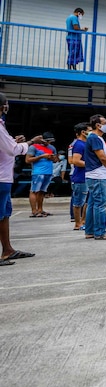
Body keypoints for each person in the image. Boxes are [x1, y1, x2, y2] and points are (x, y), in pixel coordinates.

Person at [0, 92, 42, 265]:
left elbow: (9, 146)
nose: (7, 107)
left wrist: (15, 142)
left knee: (4, 214)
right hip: (1, 177)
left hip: (5, 177)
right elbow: (12, 150)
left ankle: (7, 250)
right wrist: (31, 142)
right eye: (6, 103)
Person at [84, 114, 106, 239]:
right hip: (98, 175)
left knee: (93, 203)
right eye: (105, 122)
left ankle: (90, 231)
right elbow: (102, 157)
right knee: (100, 204)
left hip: (95, 174)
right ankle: (100, 232)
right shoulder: (95, 138)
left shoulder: (96, 138)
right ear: (98, 125)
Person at [26, 131, 57, 217]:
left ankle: (40, 209)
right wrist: (41, 156)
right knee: (34, 191)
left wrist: (53, 158)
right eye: (46, 141)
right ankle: (34, 210)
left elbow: (56, 160)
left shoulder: (52, 147)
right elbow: (28, 160)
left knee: (42, 191)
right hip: (38, 172)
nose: (48, 143)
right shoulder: (33, 147)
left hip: (48, 171)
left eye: (49, 141)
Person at [69, 123, 89, 230]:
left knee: (86, 201)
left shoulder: (85, 144)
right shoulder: (79, 144)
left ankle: (83, 221)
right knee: (78, 202)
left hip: (87, 176)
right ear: (83, 132)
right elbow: (76, 161)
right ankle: (77, 223)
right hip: (80, 177)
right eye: (89, 130)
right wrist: (90, 164)